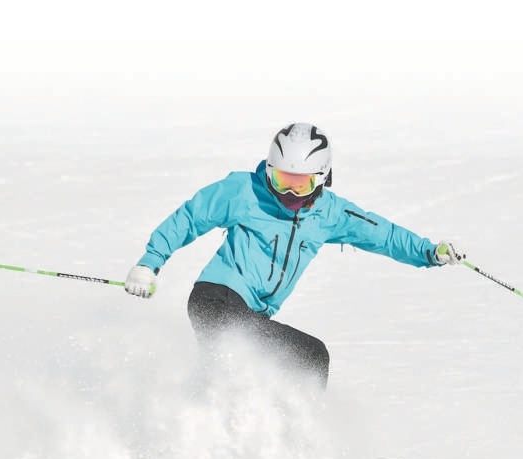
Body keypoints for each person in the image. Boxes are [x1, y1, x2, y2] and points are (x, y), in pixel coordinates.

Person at [123, 122, 465, 389]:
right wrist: (148, 263)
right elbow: (190, 217)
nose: (287, 192)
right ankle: (288, 453)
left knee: (235, 375)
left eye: (299, 184)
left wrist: (429, 252)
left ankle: (184, 447)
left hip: (250, 314)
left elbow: (383, 234)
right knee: (307, 357)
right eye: (280, 178)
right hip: (215, 300)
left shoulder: (329, 215)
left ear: (322, 178)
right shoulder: (244, 191)